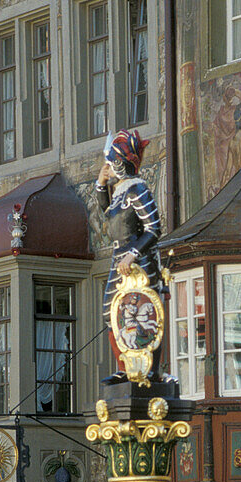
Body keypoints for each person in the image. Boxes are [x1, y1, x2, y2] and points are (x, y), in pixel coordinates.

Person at [95, 129, 163, 384]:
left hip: (137, 261)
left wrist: (133, 255)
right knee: (111, 313)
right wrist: (101, 184)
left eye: (111, 164)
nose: (107, 168)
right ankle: (125, 366)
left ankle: (150, 370)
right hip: (119, 256)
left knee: (143, 310)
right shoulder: (122, 191)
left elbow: (153, 228)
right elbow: (110, 215)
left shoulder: (137, 190)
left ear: (121, 165)